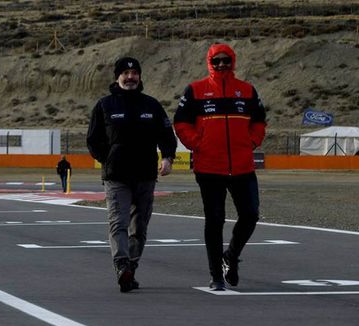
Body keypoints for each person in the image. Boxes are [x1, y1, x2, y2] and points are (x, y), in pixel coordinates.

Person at [173, 43, 267, 291]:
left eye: (226, 60)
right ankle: (215, 275)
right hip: (209, 167)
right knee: (215, 219)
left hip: (242, 165)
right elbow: (181, 123)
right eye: (217, 61)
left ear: (233, 61)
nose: (222, 64)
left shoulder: (247, 91)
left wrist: (252, 141)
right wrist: (197, 143)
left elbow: (259, 122)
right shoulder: (195, 90)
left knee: (250, 215)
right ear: (209, 63)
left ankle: (231, 255)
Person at [86, 56, 176, 293]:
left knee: (140, 227)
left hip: (146, 176)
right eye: (125, 73)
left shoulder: (152, 105)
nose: (130, 77)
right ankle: (121, 265)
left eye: (134, 73)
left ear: (139, 76)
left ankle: (131, 268)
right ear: (117, 77)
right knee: (118, 222)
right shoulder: (105, 105)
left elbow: (167, 135)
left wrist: (167, 157)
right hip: (116, 177)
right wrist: (108, 158)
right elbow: (93, 140)